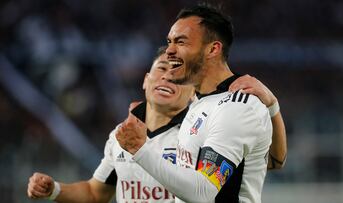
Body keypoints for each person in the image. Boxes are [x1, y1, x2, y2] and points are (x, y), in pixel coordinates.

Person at [27, 48, 285, 202]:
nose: (168, 76)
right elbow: (96, 193)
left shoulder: (201, 134)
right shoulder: (121, 135)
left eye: (178, 75)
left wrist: (272, 106)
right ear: (146, 79)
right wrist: (54, 190)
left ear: (192, 93)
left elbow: (273, 161)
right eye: (162, 68)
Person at [116, 4, 285, 203]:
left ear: (213, 49)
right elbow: (270, 161)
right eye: (169, 41)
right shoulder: (199, 100)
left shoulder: (237, 106)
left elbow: (203, 192)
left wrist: (140, 149)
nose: (169, 50)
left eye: (181, 42)